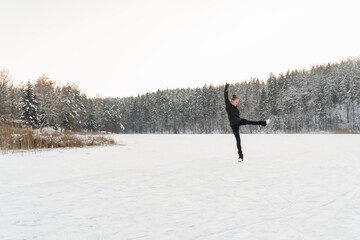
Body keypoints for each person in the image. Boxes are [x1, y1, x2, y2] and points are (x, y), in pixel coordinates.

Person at [224, 83, 267, 162]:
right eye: (236, 102)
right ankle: (240, 156)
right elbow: (226, 98)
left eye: (238, 102)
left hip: (239, 121)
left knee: (250, 122)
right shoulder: (228, 106)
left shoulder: (235, 107)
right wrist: (226, 89)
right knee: (238, 140)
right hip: (234, 125)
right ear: (232, 101)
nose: (237, 103)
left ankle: (263, 123)